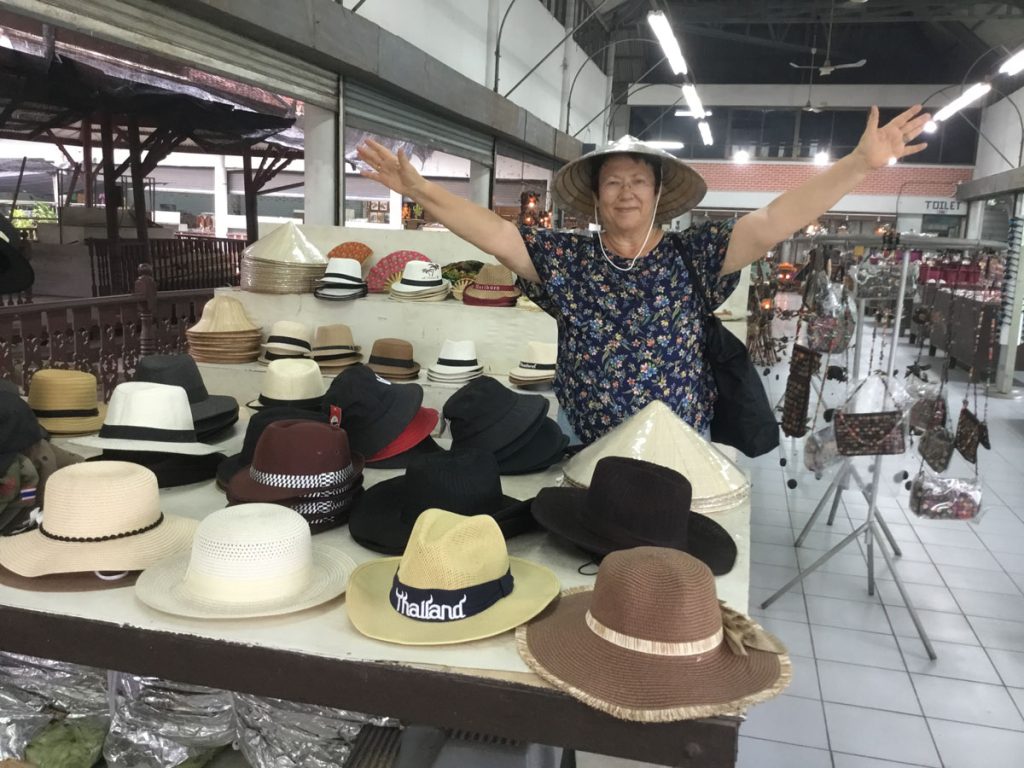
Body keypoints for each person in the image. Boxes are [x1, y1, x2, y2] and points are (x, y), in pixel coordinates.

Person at [357, 105, 930, 445]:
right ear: (596, 197)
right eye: (612, 181)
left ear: (658, 195)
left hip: (678, 447)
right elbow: (497, 236)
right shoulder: (569, 261)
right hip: (585, 442)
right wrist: (421, 190)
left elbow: (773, 221)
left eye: (638, 181)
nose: (625, 191)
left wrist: (859, 164)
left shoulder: (694, 255)